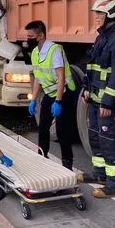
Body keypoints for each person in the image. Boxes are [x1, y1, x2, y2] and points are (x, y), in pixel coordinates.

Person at [78, 0, 115, 198]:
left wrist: (108, 101)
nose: (97, 16)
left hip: (110, 103)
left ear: (113, 13)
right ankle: (100, 174)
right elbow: (92, 66)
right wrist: (86, 88)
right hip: (95, 99)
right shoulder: (104, 37)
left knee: (111, 141)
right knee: (97, 138)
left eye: (100, 13)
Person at [26, 20, 76, 171]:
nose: (27, 39)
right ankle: (42, 157)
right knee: (43, 128)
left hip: (64, 93)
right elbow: (38, 78)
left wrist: (59, 101)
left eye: (30, 36)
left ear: (40, 35)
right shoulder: (35, 53)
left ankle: (67, 165)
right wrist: (33, 100)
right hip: (49, 94)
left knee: (62, 132)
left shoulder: (54, 50)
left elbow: (61, 77)